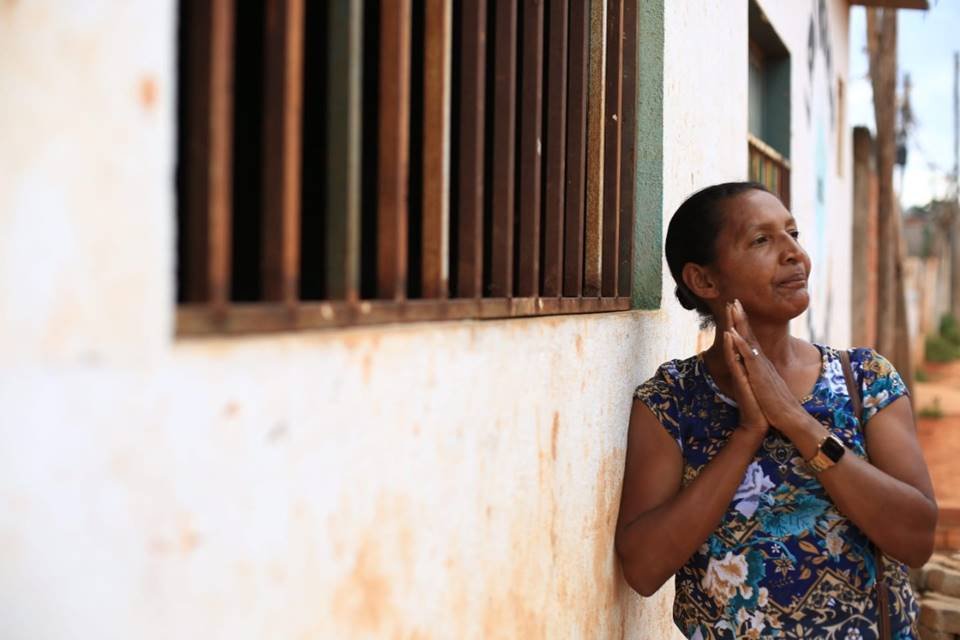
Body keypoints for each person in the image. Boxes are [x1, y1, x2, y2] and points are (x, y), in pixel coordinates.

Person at [615, 182, 937, 639]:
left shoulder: (864, 380)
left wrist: (796, 421)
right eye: (762, 240)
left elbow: (917, 539)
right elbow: (643, 570)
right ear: (704, 280)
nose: (794, 254)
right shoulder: (671, 402)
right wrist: (747, 434)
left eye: (793, 233)